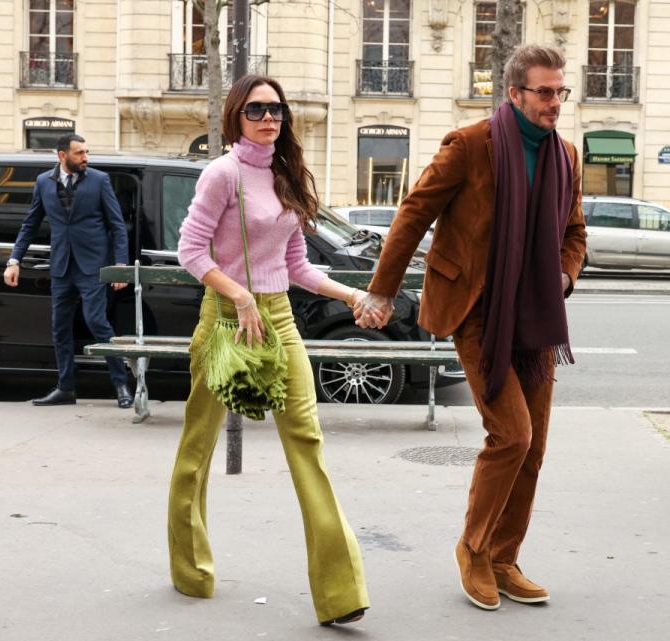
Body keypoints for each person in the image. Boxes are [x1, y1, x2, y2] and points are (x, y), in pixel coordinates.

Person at [355, 44, 586, 610]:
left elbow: (574, 232)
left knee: (533, 448)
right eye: (545, 92)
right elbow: (414, 212)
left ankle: (505, 559)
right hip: (478, 309)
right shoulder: (471, 144)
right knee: (512, 435)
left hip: (536, 314)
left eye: (561, 92)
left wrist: (564, 272)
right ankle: (473, 548)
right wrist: (382, 290)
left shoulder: (567, 157)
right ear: (514, 93)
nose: (555, 102)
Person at [167, 74, 370, 626]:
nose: (269, 118)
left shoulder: (284, 176)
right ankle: (190, 568)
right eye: (257, 108)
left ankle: (341, 591)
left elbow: (298, 265)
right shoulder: (222, 173)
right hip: (225, 321)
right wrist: (238, 295)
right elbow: (188, 249)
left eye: (277, 109)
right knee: (198, 447)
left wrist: (353, 292)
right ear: (237, 116)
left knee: (307, 440)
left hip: (278, 316)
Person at [4, 134, 132, 408]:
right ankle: (65, 388)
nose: (85, 158)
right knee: (59, 327)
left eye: (86, 152)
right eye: (79, 153)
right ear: (62, 155)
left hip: (93, 265)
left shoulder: (99, 180)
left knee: (96, 321)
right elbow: (30, 223)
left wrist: (120, 266)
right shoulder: (43, 182)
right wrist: (14, 260)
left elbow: (117, 226)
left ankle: (121, 384)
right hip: (62, 266)